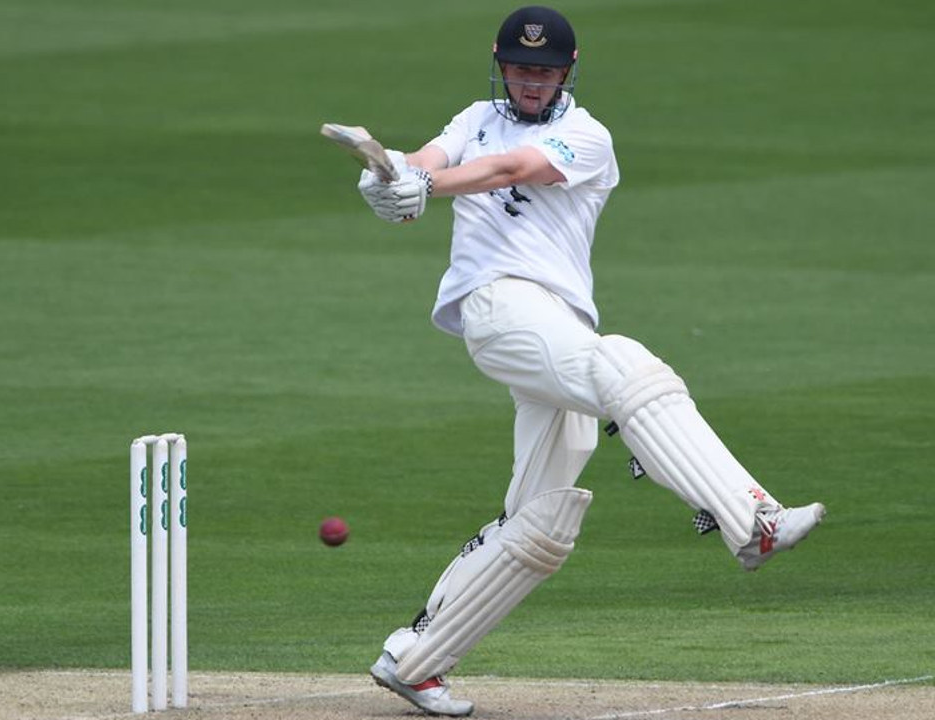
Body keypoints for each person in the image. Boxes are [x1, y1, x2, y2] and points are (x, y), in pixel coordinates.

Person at [353, 6, 826, 716]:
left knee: (542, 520)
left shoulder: (586, 136)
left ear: (568, 71)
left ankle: (415, 661)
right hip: (498, 306)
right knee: (625, 366)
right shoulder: (474, 118)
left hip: (557, 323)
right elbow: (428, 163)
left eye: (544, 72)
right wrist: (390, 179)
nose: (530, 82)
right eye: (520, 68)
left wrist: (427, 186)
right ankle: (752, 519)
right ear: (499, 63)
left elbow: (513, 168)